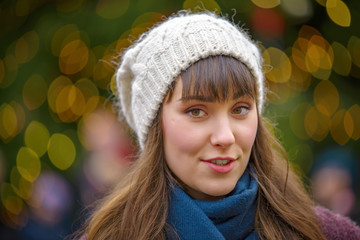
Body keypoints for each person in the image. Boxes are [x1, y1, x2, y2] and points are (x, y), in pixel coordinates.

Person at [79, 11, 360, 239]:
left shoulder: (325, 234)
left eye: (240, 109)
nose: (225, 137)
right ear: (156, 127)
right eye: (197, 111)